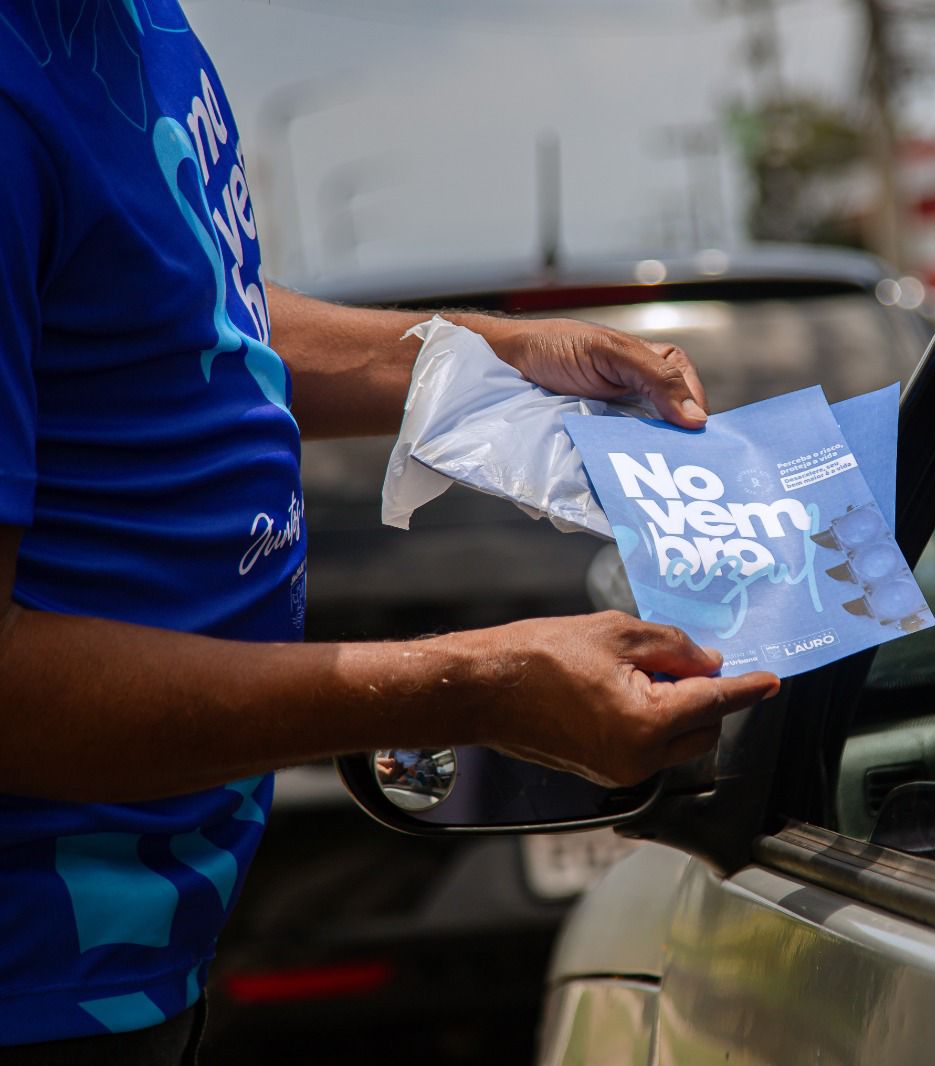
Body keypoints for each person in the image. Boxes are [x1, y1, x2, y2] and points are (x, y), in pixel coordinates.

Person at [0, 5, 779, 1059]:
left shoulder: (134, 22)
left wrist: (484, 359)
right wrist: (475, 685)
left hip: (138, 947)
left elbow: (178, 309)